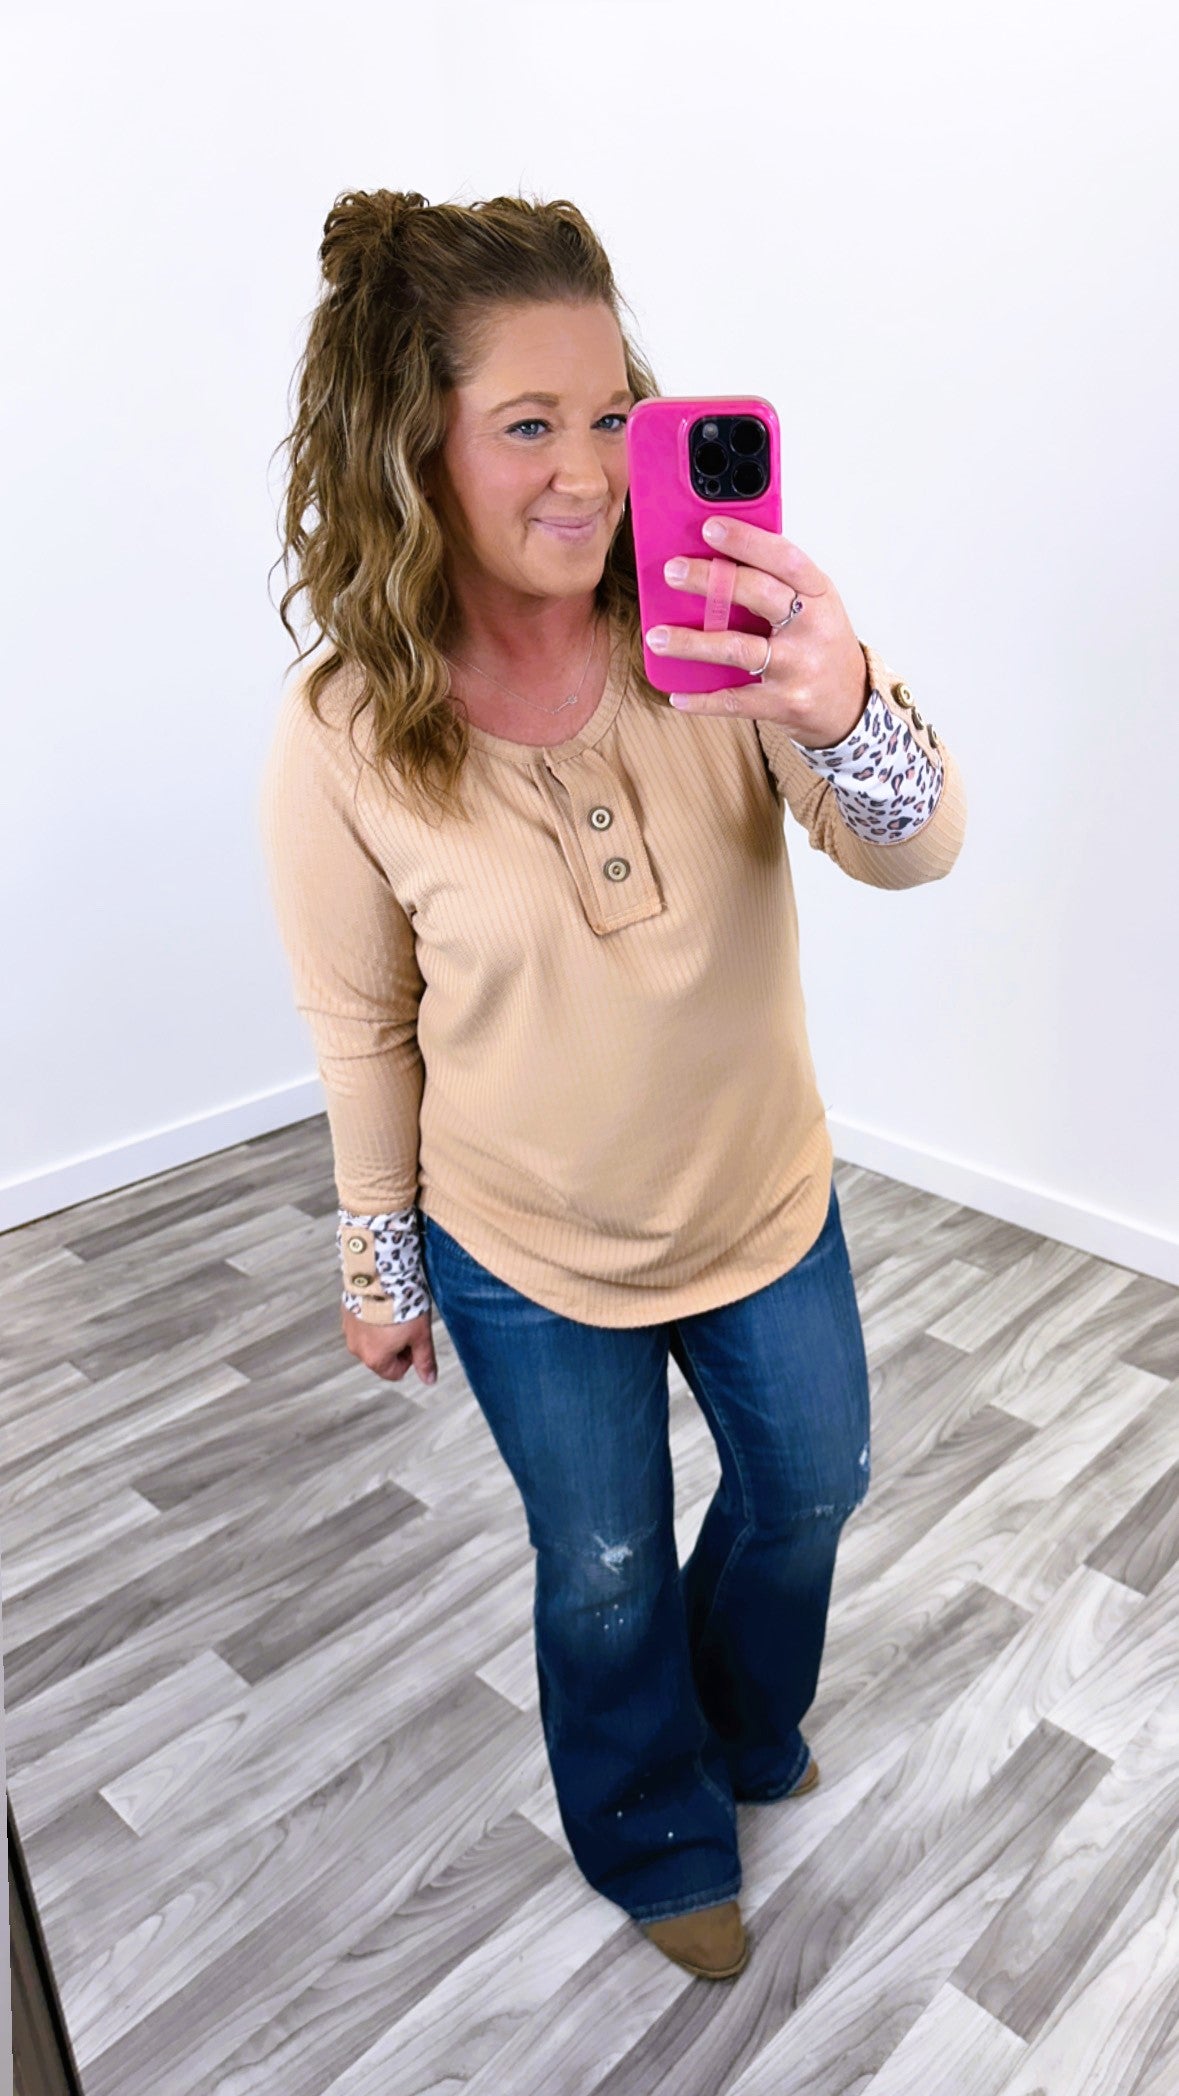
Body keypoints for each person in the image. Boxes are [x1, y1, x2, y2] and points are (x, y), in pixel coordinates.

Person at [258, 188, 966, 1983]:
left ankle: (739, 1727)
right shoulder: (344, 733)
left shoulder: (716, 630)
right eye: (525, 425)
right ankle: (656, 1828)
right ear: (409, 447)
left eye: (607, 413)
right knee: (603, 1567)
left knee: (813, 1486)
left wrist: (837, 700)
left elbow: (915, 851)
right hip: (526, 1247)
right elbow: (365, 1026)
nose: (583, 472)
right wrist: (379, 1259)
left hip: (760, 1196)